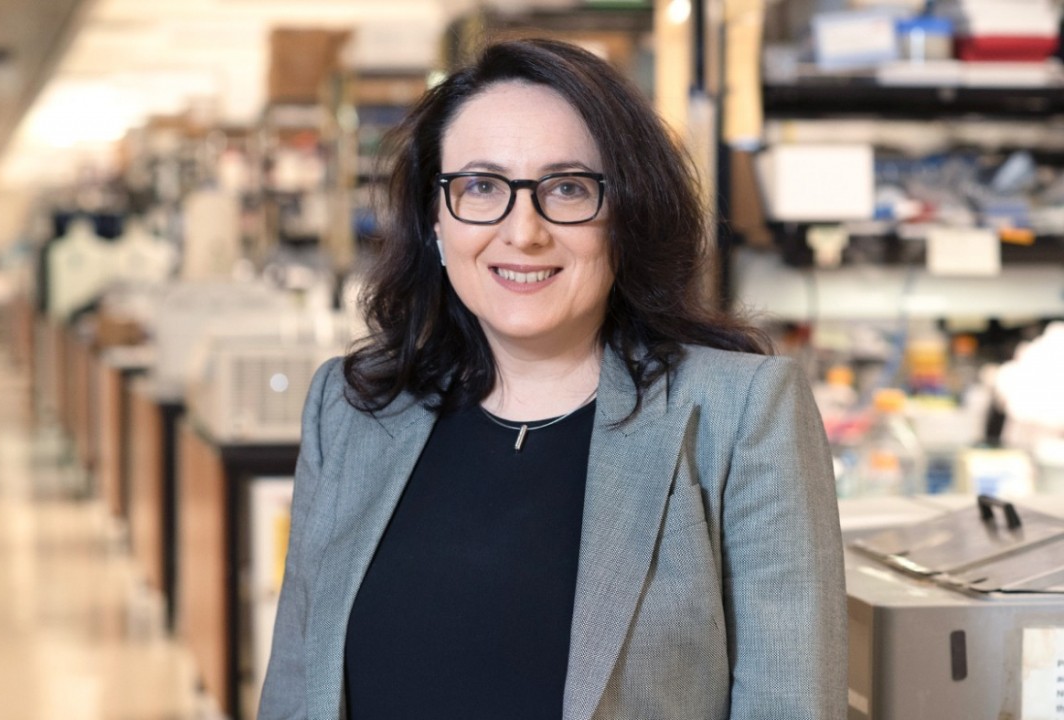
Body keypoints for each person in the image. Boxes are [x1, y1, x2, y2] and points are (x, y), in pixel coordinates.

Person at [259, 38, 846, 720]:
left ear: (626, 215)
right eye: (481, 186)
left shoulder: (743, 414)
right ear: (435, 221)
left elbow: (790, 703)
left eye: (567, 188)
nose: (524, 232)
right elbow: (296, 693)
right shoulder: (351, 409)